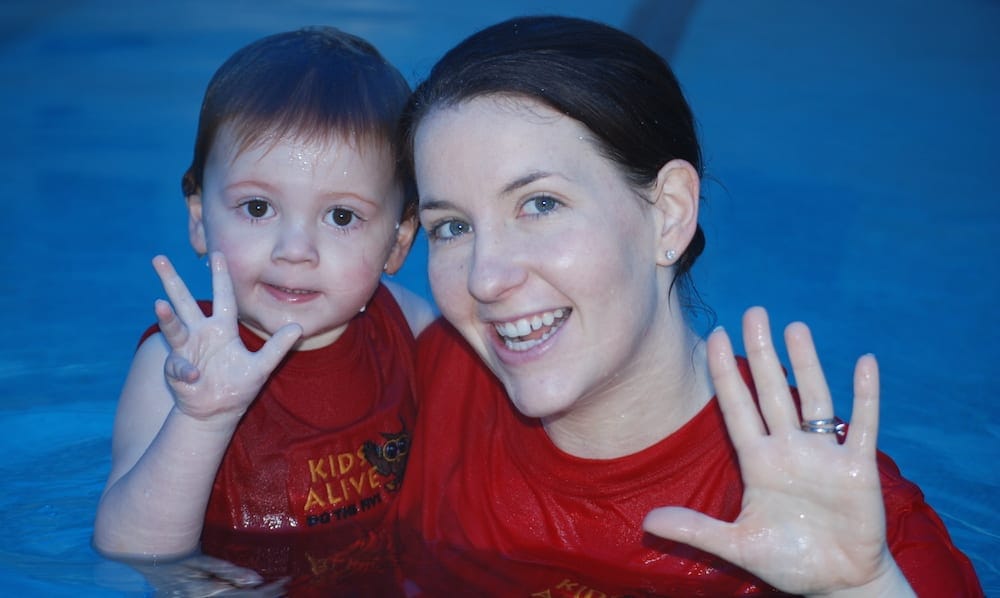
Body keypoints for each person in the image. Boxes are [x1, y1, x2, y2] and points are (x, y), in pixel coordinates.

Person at [392, 15, 984, 596]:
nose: (487, 278)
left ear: (669, 211)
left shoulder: (852, 525)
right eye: (452, 227)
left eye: (541, 204)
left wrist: (859, 590)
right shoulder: (429, 381)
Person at [93, 26, 433, 593]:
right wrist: (202, 418)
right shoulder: (174, 364)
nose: (294, 250)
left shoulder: (407, 324)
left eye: (342, 217)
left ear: (398, 242)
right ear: (200, 218)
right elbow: (130, 549)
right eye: (257, 207)